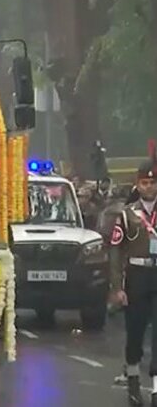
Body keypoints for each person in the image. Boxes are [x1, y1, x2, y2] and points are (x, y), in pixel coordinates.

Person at [110, 159, 157, 406]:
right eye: (144, 182)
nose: (149, 187)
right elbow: (116, 251)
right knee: (136, 333)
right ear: (137, 185)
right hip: (137, 277)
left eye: (153, 182)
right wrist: (117, 287)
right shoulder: (127, 215)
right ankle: (134, 381)